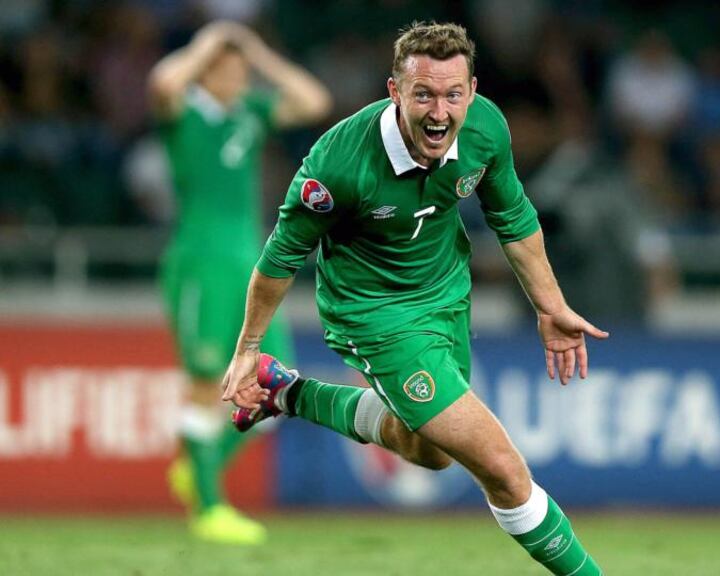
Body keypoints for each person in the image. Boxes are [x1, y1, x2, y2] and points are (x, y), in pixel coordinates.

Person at [221, 22, 607, 575]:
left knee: (430, 451)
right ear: (394, 91)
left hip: (446, 293)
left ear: (471, 93)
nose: (439, 112)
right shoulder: (337, 166)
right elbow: (279, 261)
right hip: (373, 313)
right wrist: (246, 347)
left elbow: (514, 218)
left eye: (453, 95)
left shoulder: (485, 129)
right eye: (423, 94)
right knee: (501, 466)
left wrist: (551, 306)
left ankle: (288, 393)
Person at [148, 20, 331, 544]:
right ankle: (208, 506)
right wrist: (209, 42)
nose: (238, 78)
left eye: (241, 71)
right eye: (226, 70)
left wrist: (255, 50)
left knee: (275, 386)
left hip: (249, 264)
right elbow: (162, 84)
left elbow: (313, 100)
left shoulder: (249, 113)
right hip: (199, 261)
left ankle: (196, 465)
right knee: (207, 382)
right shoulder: (184, 113)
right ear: (204, 74)